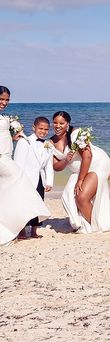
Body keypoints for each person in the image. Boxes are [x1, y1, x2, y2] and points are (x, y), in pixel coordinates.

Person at [0, 86, 50, 245]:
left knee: (9, 189)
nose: (4, 102)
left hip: (6, 156)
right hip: (2, 158)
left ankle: (13, 224)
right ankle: (19, 224)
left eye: (7, 99)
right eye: (1, 99)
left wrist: (11, 138)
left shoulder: (3, 117)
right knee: (21, 182)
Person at [50, 111, 110, 233]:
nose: (57, 126)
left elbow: (87, 156)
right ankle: (89, 222)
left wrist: (80, 180)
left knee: (81, 197)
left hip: (97, 165)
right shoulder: (51, 142)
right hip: (79, 171)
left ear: (68, 124)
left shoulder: (76, 134)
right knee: (68, 195)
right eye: (55, 123)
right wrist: (65, 160)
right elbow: (56, 167)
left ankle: (97, 225)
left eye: (61, 123)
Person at [13, 116, 54, 239]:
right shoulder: (24, 141)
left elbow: (48, 165)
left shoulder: (48, 145)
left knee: (38, 204)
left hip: (40, 179)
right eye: (40, 128)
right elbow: (18, 162)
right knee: (24, 205)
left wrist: (49, 182)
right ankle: (21, 232)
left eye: (46, 129)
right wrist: (19, 181)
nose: (43, 131)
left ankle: (34, 231)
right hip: (26, 179)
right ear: (34, 127)